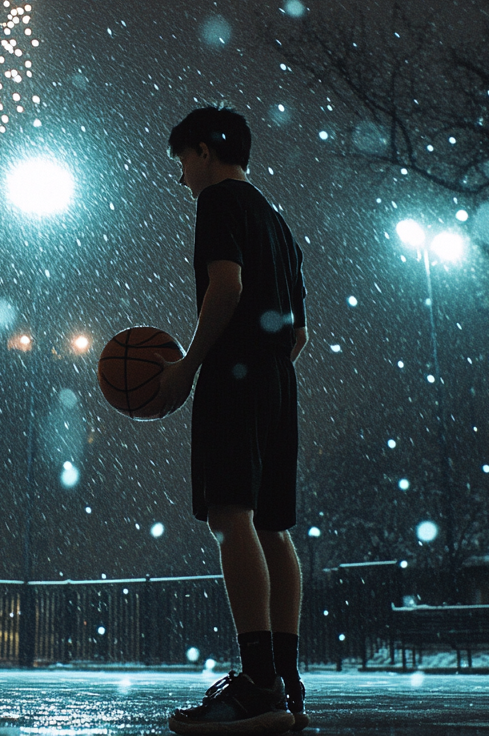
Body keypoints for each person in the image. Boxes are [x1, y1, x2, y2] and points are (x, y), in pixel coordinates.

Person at [154, 107, 310, 736]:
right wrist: (264, 364)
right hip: (278, 377)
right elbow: (299, 333)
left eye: (183, 162)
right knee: (273, 526)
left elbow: (226, 287)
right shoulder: (278, 222)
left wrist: (192, 364)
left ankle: (256, 684)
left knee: (230, 519)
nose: (183, 177)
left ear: (204, 152)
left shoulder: (218, 202)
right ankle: (284, 679)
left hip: (235, 375)